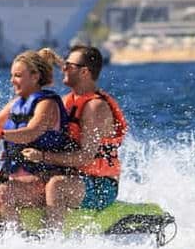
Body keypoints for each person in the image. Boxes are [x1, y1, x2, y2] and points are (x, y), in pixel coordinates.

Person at [22, 45, 128, 227]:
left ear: (85, 72)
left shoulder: (95, 108)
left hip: (101, 186)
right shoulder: (66, 102)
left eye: (69, 66)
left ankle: (53, 242)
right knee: (14, 183)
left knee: (57, 186)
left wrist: (43, 157)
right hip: (69, 175)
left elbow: (85, 156)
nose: (63, 68)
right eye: (64, 64)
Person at [0, 48, 76, 223]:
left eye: (18, 76)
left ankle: (17, 240)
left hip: (43, 179)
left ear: (35, 77)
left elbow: (31, 132)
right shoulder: (16, 103)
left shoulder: (47, 104)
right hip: (18, 175)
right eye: (12, 76)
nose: (12, 80)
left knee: (4, 193)